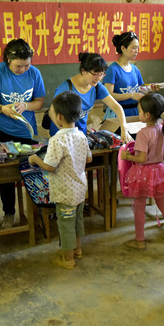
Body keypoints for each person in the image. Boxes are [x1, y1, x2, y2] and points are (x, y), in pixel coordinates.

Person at [0, 39, 46, 229]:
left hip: (27, 132)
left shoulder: (34, 73)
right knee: (7, 178)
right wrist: (3, 108)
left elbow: (40, 101)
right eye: (19, 66)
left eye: (27, 65)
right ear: (8, 60)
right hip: (4, 131)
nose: (23, 69)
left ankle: (37, 212)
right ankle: (8, 213)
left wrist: (26, 105)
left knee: (33, 172)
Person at [28, 92, 92, 269]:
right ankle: (77, 250)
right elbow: (89, 159)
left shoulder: (57, 140)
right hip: (79, 190)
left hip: (65, 192)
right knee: (76, 221)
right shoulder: (81, 135)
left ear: (58, 117)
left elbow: (49, 166)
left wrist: (35, 159)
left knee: (65, 224)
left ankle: (68, 258)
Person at [120, 93, 164, 249]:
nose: (139, 114)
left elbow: (141, 158)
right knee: (163, 203)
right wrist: (158, 154)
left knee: (139, 206)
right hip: (159, 171)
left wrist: (127, 155)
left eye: (139, 111)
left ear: (147, 115)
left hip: (142, 173)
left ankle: (139, 240)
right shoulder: (163, 129)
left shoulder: (143, 133)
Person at [49, 52, 132, 143]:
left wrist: (124, 130)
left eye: (102, 74)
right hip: (61, 139)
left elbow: (116, 107)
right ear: (84, 71)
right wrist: (64, 132)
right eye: (95, 74)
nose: (98, 78)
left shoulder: (96, 87)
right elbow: (52, 112)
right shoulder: (66, 88)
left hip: (81, 136)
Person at [103, 31, 155, 119]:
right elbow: (108, 95)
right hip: (118, 114)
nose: (137, 51)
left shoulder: (135, 69)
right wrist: (131, 95)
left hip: (136, 113)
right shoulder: (112, 69)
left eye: (137, 48)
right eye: (134, 48)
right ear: (123, 48)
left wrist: (150, 89)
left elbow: (140, 90)